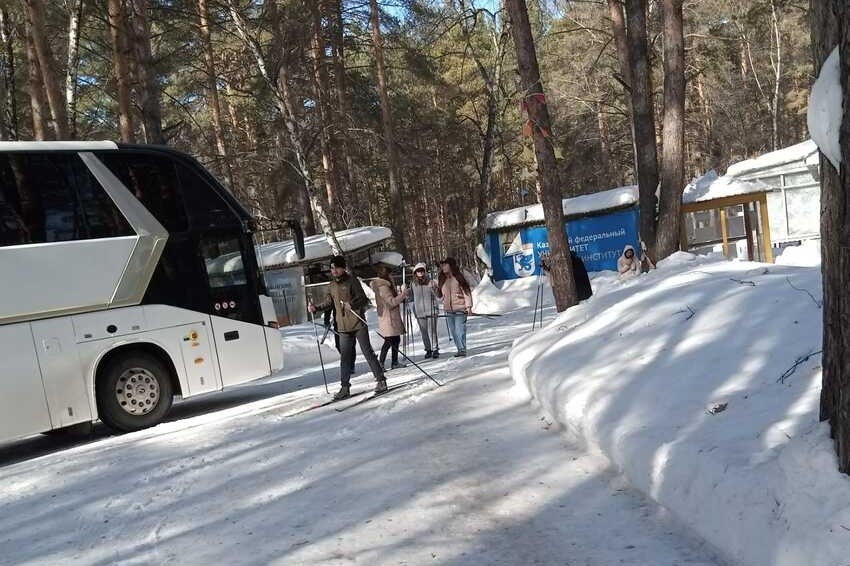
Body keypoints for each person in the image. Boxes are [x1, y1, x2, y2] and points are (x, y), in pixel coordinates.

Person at [309, 255, 386, 400]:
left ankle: (381, 380)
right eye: (332, 268)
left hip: (357, 323)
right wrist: (316, 308)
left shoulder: (352, 281)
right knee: (345, 358)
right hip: (343, 327)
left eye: (337, 268)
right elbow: (329, 303)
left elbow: (363, 299)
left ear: (343, 268)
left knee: (367, 352)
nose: (334, 271)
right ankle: (345, 387)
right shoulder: (332, 285)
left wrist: (353, 304)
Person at [370, 265, 407, 370]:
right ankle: (381, 363)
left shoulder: (385, 285)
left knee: (395, 339)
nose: (392, 276)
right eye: (390, 274)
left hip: (391, 316)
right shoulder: (383, 287)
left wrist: (400, 295)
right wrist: (403, 295)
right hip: (389, 317)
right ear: (386, 275)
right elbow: (391, 302)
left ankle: (394, 362)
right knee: (389, 340)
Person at [436, 257, 473, 357]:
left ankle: (462, 349)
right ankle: (459, 349)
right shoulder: (442, 279)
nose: (443, 267)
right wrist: (435, 289)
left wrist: (469, 307)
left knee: (459, 330)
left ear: (451, 266)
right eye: (442, 265)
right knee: (453, 331)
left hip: (460, 308)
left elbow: (466, 292)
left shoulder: (458, 277)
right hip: (449, 310)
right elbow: (439, 295)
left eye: (445, 265)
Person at [408, 262, 440, 359]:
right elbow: (410, 297)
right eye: (418, 271)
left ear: (425, 271)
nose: (420, 273)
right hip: (419, 311)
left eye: (422, 271)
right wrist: (405, 293)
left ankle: (435, 349)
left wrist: (435, 288)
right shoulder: (413, 284)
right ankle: (428, 349)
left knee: (432, 331)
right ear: (415, 273)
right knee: (424, 332)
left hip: (431, 310)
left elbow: (438, 295)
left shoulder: (430, 282)